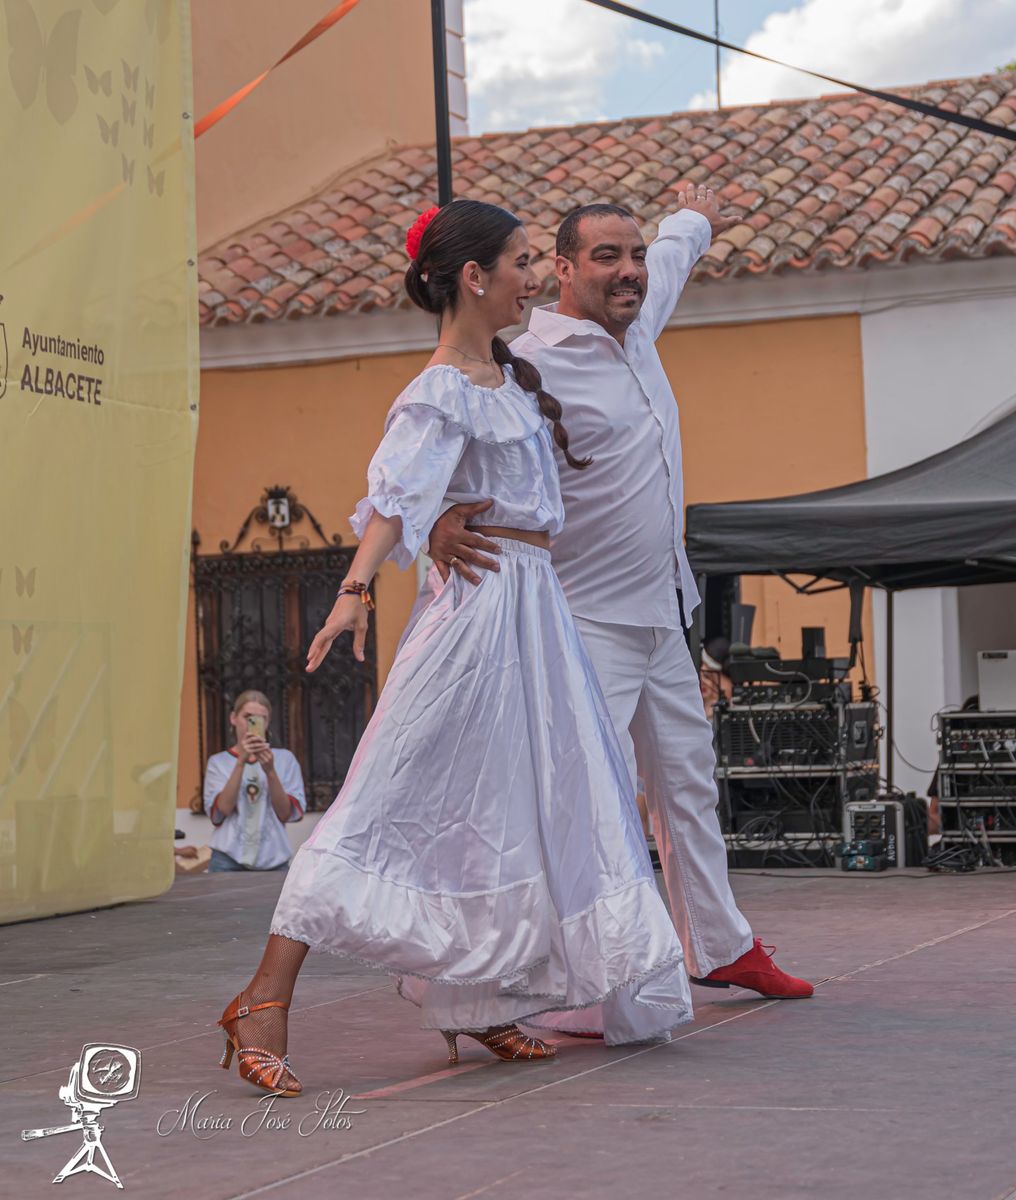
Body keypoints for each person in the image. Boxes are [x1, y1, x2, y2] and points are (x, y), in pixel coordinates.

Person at [215, 199, 692, 1099]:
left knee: (507, 806)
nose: (530, 277)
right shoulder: (438, 388)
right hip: (475, 621)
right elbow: (397, 495)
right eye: (519, 262)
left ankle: (477, 1001)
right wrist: (356, 590)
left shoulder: (504, 382)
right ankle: (262, 1000)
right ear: (474, 277)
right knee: (380, 802)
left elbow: (465, 496)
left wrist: (444, 518)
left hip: (533, 615)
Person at [429, 186, 814, 1005]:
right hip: (582, 624)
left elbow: (677, 252)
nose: (629, 270)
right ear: (563, 269)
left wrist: (695, 216)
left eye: (634, 254)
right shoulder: (524, 355)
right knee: (585, 805)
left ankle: (719, 945)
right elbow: (442, 423)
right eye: (606, 256)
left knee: (688, 785)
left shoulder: (641, 318)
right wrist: (434, 519)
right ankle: (556, 972)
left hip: (662, 616)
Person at [204, 690, 306, 873]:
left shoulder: (285, 759)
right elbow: (220, 812)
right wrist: (241, 762)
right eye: (248, 717)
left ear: (267, 723)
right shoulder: (218, 762)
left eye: (261, 719)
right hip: (227, 861)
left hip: (274, 860)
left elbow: (287, 814)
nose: (253, 724)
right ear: (233, 718)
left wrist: (270, 772)